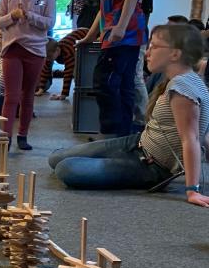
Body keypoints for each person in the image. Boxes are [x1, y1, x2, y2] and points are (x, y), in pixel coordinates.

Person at [50, 24, 209, 207]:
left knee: (66, 168)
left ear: (175, 54)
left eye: (154, 46)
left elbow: (192, 139)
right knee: (55, 159)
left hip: (151, 166)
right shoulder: (185, 80)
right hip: (138, 143)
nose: (148, 52)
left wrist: (192, 190)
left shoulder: (183, 89)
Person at [78, 0, 147, 138]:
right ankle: (121, 135)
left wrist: (120, 27)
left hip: (123, 38)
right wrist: (90, 36)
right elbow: (104, 6)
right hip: (114, 36)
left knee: (106, 82)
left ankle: (112, 134)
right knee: (121, 84)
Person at [0, 0, 57, 150]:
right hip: (12, 50)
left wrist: (30, 16)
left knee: (27, 95)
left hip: (35, 52)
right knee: (11, 96)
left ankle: (23, 135)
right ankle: (5, 137)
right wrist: (12, 16)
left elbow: (49, 23)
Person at [36, 28, 89, 100]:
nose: (48, 59)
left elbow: (68, 73)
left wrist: (63, 94)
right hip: (77, 37)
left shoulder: (67, 53)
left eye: (49, 57)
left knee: (77, 72)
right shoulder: (50, 54)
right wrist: (41, 89)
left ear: (57, 50)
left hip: (86, 36)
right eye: (46, 57)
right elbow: (45, 70)